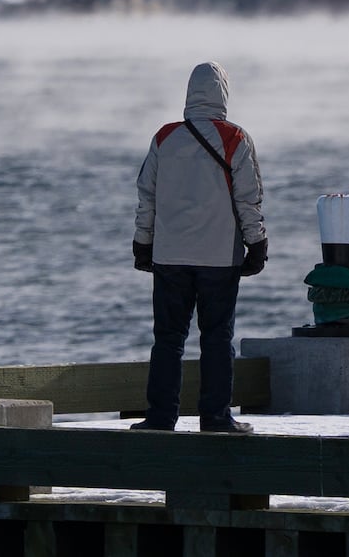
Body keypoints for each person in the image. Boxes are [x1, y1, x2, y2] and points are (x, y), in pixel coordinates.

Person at [131, 61, 268, 434]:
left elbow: (147, 197)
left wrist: (143, 244)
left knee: (168, 341)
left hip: (170, 257)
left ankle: (160, 418)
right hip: (218, 259)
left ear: (189, 94)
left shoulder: (164, 137)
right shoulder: (235, 138)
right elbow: (248, 200)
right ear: (223, 95)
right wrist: (256, 245)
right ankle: (216, 418)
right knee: (217, 339)